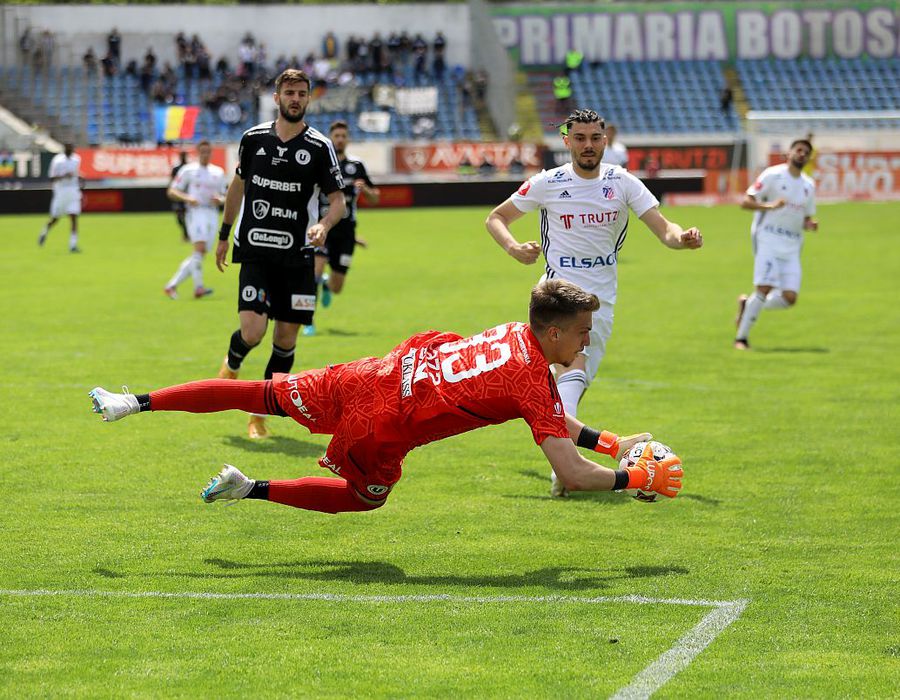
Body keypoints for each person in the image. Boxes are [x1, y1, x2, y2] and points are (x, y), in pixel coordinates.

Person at [89, 279, 683, 512]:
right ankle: (252, 488)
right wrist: (636, 479)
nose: (586, 345)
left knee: (256, 390)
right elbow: (572, 475)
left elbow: (558, 423)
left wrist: (610, 441)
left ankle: (133, 401)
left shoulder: (514, 333)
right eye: (582, 334)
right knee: (367, 497)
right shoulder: (532, 380)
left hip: (371, 375)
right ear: (552, 332)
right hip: (385, 420)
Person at [485, 108, 702, 497]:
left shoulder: (623, 183)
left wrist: (681, 237)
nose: (588, 145)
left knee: (565, 383)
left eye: (595, 138)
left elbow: (663, 227)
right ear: (566, 141)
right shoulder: (548, 182)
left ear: (606, 140)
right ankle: (567, 466)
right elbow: (496, 218)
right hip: (557, 292)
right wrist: (514, 247)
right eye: (580, 138)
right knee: (571, 365)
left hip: (602, 299)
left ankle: (568, 453)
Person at [214, 68, 346, 439]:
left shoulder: (319, 147)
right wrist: (224, 234)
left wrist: (324, 225)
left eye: (301, 93)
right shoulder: (253, 139)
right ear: (276, 97)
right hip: (255, 249)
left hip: (298, 256)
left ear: (307, 98)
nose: (295, 99)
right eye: (289, 92)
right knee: (252, 331)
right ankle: (233, 361)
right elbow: (236, 188)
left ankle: (258, 414)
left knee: (286, 339)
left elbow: (338, 202)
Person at [734, 138, 818, 350]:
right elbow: (746, 202)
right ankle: (741, 339)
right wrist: (771, 206)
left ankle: (748, 305)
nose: (802, 154)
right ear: (788, 154)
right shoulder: (773, 175)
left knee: (789, 297)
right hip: (768, 237)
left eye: (806, 152)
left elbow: (807, 217)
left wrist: (810, 224)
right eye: (798, 150)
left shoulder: (808, 185)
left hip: (792, 244)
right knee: (764, 287)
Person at [305, 120, 380, 335]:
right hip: (323, 229)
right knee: (315, 272)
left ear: (347, 139)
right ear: (330, 139)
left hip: (346, 231)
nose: (339, 139)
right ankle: (308, 320)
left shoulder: (356, 167)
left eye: (343, 136)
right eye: (336, 136)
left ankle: (328, 285)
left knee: (337, 286)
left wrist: (364, 189)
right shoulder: (321, 164)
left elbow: (375, 198)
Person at [164, 141, 227, 300]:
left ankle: (171, 285)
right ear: (198, 153)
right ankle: (198, 287)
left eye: (208, 152)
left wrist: (219, 200)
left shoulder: (218, 172)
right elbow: (172, 191)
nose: (205, 155)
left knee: (201, 253)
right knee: (199, 249)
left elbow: (225, 195)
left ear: (211, 153)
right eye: (203, 152)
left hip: (212, 213)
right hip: (196, 212)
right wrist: (188, 198)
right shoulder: (189, 170)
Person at [38, 143, 83, 253]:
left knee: (74, 217)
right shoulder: (57, 160)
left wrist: (80, 178)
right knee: (55, 219)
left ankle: (73, 245)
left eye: (71, 147)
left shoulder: (77, 159)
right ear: (65, 148)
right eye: (68, 147)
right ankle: (44, 232)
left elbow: (76, 173)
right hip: (61, 192)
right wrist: (64, 176)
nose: (70, 149)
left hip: (73, 191)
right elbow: (52, 178)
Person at [169, 150, 189, 242]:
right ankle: (186, 233)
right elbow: (172, 181)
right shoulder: (176, 169)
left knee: (188, 216)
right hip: (178, 195)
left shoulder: (190, 168)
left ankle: (187, 235)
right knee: (179, 216)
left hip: (188, 196)